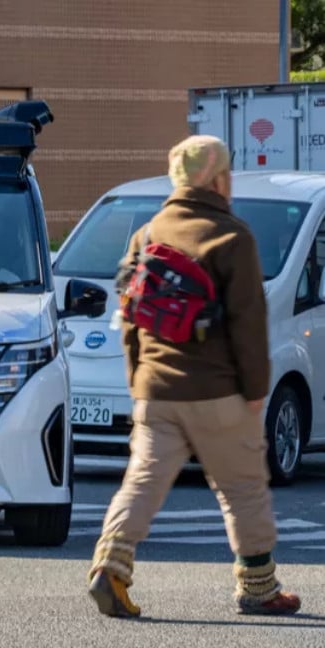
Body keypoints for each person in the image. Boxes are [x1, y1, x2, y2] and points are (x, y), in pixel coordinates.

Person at [87, 135, 301, 618]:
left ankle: (110, 567)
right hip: (217, 391)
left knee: (141, 483)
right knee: (243, 487)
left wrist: (137, 378)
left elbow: (130, 313)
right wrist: (256, 390)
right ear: (219, 178)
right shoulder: (232, 236)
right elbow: (249, 323)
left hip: (156, 391)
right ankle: (259, 586)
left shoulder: (147, 234)